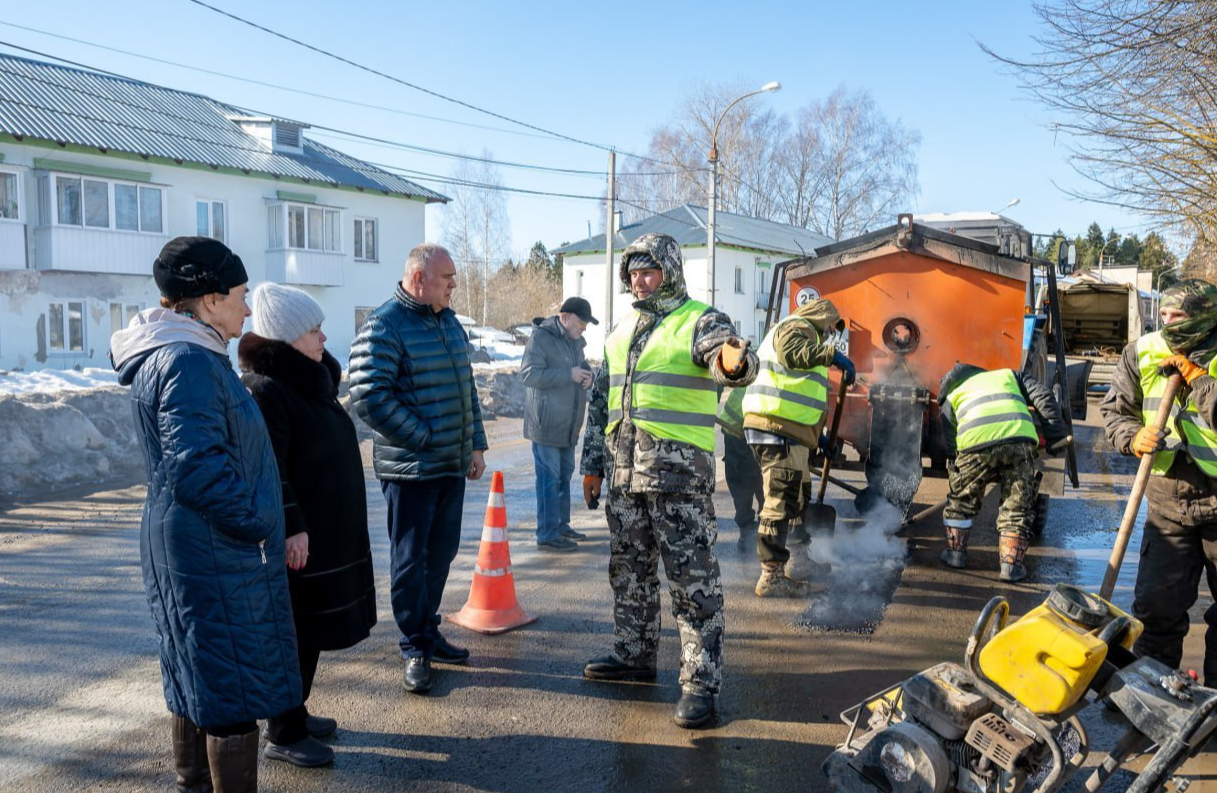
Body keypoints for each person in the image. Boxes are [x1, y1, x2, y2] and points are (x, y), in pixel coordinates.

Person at [110, 237, 314, 793]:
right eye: (241, 296)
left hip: (200, 544)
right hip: (214, 549)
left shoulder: (186, 353)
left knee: (201, 677)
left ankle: (193, 784)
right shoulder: (187, 361)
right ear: (208, 298)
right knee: (230, 692)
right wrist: (257, 523)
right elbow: (196, 466)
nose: (248, 310)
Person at [580, 232, 757, 729]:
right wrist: (592, 466)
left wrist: (734, 361)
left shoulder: (700, 320)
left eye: (649, 270)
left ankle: (699, 682)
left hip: (678, 478)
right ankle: (634, 653)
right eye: (633, 272)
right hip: (623, 476)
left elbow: (729, 359)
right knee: (630, 572)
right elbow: (599, 404)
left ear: (671, 272)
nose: (639, 279)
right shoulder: (620, 330)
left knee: (691, 581)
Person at [238, 283, 377, 761]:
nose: (323, 338)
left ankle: (295, 709)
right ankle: (284, 731)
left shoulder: (307, 379)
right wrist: (292, 523)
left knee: (311, 626)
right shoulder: (267, 389)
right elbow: (268, 467)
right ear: (285, 337)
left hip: (326, 532)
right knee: (292, 630)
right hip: (301, 538)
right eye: (313, 330)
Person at [349, 243, 487, 695]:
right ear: (418, 278)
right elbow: (369, 396)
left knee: (442, 553)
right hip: (411, 469)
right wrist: (424, 437)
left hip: (450, 464)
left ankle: (428, 631)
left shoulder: (447, 323)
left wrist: (476, 444)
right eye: (447, 278)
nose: (453, 286)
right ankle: (413, 648)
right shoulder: (384, 325)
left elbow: (466, 387)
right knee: (411, 561)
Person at [1101, 278, 1217, 683]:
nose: (1168, 323)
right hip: (1168, 501)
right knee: (1156, 608)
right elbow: (1115, 412)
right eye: (1163, 314)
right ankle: (1150, 692)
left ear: (1204, 316)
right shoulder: (1143, 351)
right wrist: (1132, 437)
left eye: (1178, 316)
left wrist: (1199, 380)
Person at [742, 298, 855, 596]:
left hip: (791, 430)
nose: (831, 334)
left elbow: (798, 393)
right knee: (780, 500)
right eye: (830, 327)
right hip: (775, 427)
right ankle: (771, 576)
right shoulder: (796, 326)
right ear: (820, 317)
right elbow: (791, 354)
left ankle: (799, 561)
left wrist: (816, 435)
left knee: (798, 496)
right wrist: (832, 356)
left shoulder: (809, 337)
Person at [938, 363, 1066, 582]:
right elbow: (1044, 396)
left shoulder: (952, 393)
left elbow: (950, 435)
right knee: (1017, 506)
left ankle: (955, 555)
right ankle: (1010, 567)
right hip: (1019, 440)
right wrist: (1054, 436)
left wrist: (954, 461)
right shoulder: (1010, 376)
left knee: (962, 501)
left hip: (974, 445)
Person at [520, 296, 597, 552]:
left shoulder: (574, 341)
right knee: (549, 479)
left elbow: (579, 367)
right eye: (581, 322)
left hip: (567, 425)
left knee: (563, 477)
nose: (584, 327)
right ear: (565, 317)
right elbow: (529, 373)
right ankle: (547, 533)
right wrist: (569, 375)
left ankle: (561, 526)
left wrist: (588, 376)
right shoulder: (541, 337)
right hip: (546, 425)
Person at [716, 386, 764, 550]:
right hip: (737, 427)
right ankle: (748, 533)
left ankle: (767, 531)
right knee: (741, 480)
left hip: (763, 424)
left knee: (765, 481)